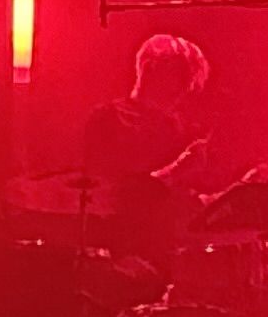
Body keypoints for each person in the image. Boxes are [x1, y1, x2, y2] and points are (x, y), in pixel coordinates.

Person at [80, 31, 215, 263]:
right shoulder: (109, 119)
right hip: (122, 255)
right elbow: (110, 196)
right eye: (181, 76)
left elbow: (182, 204)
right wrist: (175, 170)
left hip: (168, 254)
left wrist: (235, 193)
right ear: (151, 70)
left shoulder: (176, 127)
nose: (185, 89)